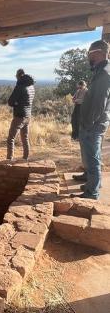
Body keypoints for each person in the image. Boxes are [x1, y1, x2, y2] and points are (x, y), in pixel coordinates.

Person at [71, 40, 110, 200]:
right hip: (92, 124)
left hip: (93, 125)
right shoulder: (100, 71)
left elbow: (99, 103)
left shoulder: (105, 74)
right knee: (91, 156)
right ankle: (90, 182)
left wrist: (87, 124)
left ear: (99, 53)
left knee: (93, 158)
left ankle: (91, 192)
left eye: (90, 54)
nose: (89, 57)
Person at [6, 68, 35, 160]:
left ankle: (9, 159)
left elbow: (10, 102)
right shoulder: (31, 87)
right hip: (28, 116)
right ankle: (25, 158)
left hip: (19, 115)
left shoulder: (19, 87)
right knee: (25, 138)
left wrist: (17, 103)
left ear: (18, 76)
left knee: (10, 139)